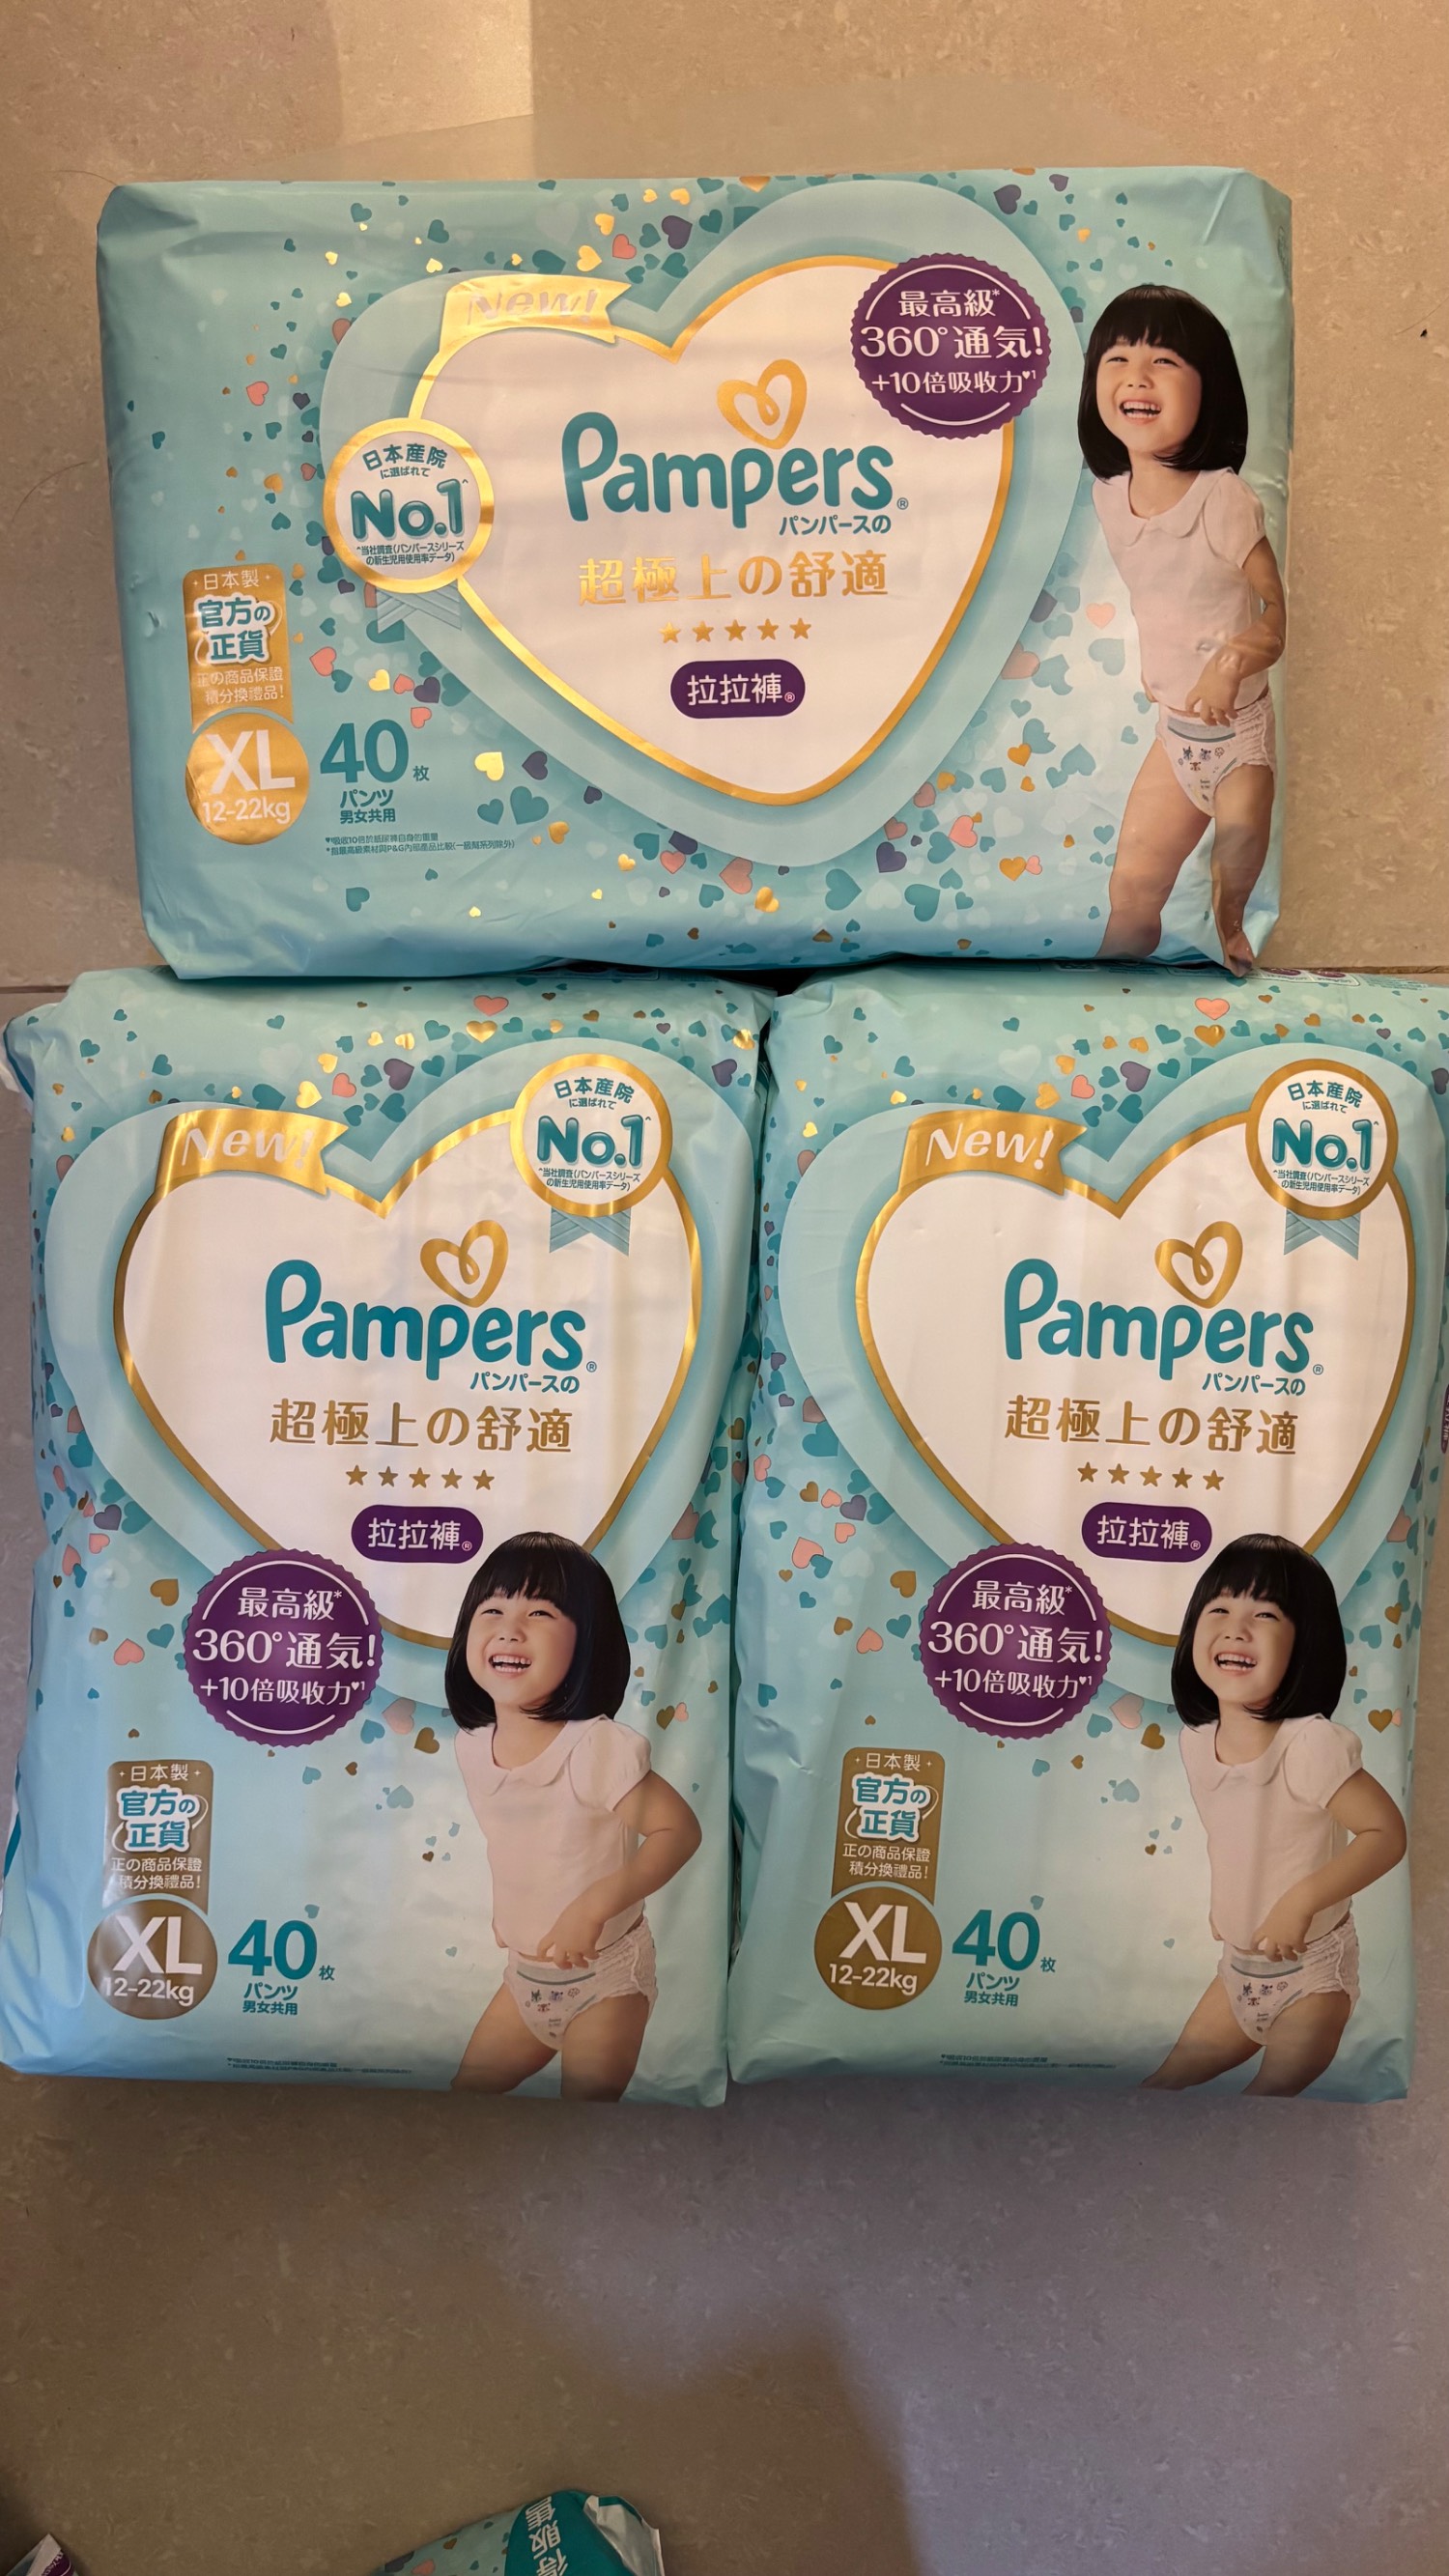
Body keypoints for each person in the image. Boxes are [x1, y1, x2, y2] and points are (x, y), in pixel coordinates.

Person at [1145, 1533, 1406, 2096]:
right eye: (1219, 1609)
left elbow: (1385, 1834)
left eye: (1264, 1615)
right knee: (1161, 2086)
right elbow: (1235, 1834)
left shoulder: (1308, 1745)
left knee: (1267, 2103)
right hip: (1237, 1972)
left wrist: (1299, 1902)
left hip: (1311, 1976)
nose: (1235, 1629)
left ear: (1304, 1644)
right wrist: (1230, 1903)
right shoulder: (1197, 1742)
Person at [446, 1530, 700, 2100]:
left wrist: (593, 1905)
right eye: (492, 1610)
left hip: (605, 1979)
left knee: (585, 2112)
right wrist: (514, 1912)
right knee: (466, 2097)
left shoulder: (593, 1748)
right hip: (525, 1978)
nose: (510, 1629)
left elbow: (678, 1831)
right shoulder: (472, 1747)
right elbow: (522, 1841)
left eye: (539, 1613)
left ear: (588, 1643)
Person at [1078, 283, 1287, 973]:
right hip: (1175, 737)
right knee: (1132, 890)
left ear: (1210, 387)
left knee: (1230, 892)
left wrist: (1230, 661)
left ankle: (1229, 953)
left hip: (1238, 736)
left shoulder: (1221, 498)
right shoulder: (1110, 497)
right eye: (1117, 358)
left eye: (1163, 361)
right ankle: (1107, 990)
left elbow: (1276, 616)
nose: (1136, 377)